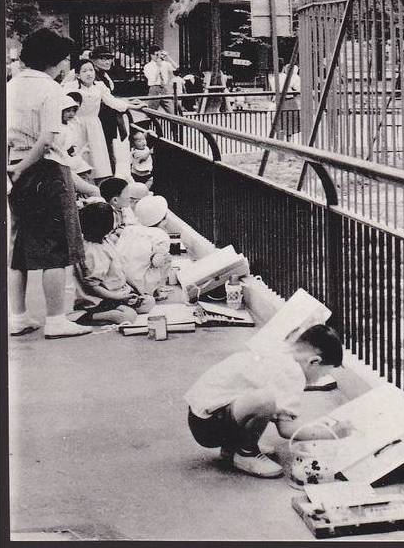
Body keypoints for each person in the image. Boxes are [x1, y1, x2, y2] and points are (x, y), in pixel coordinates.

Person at [7, 28, 93, 339]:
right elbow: (47, 139)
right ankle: (56, 319)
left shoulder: (10, 86)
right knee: (54, 246)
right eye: (66, 59)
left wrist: (12, 170)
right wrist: (24, 169)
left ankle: (17, 316)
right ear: (55, 61)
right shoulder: (52, 92)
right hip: (45, 171)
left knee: (18, 247)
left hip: (11, 168)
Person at [185, 324, 350, 478]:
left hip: (202, 417)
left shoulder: (282, 350)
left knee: (267, 398)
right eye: (322, 374)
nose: (316, 381)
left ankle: (233, 447)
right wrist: (330, 433)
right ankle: (245, 453)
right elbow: (286, 429)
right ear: (314, 362)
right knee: (267, 400)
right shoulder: (293, 373)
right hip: (209, 429)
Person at [74, 202, 154, 325]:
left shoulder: (105, 240)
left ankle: (120, 308)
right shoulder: (92, 251)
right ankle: (93, 316)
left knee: (149, 301)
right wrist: (119, 297)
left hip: (119, 291)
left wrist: (136, 288)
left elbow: (120, 269)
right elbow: (93, 286)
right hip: (101, 298)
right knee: (129, 316)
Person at [64, 59, 136, 182]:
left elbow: (113, 102)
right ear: (77, 74)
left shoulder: (100, 86)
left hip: (94, 126)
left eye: (91, 70)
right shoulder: (70, 87)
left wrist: (133, 106)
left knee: (97, 159)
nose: (89, 74)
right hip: (76, 125)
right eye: (84, 71)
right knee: (78, 156)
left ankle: (96, 185)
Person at [116, 194, 172, 297]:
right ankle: (156, 290)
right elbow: (157, 262)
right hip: (141, 283)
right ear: (163, 219)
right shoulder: (161, 235)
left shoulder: (129, 229)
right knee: (167, 258)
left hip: (120, 280)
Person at [90, 46, 129, 175]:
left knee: (108, 150)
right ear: (93, 59)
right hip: (98, 117)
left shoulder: (104, 75)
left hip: (108, 118)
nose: (107, 62)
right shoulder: (92, 76)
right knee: (102, 152)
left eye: (109, 59)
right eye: (103, 58)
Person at [143, 46, 173, 113]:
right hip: (154, 88)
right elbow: (152, 79)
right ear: (151, 55)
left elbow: (176, 69)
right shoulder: (148, 66)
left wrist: (168, 58)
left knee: (172, 111)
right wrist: (158, 67)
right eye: (156, 55)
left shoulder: (165, 64)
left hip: (164, 88)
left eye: (160, 54)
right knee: (151, 112)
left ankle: (174, 123)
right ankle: (152, 123)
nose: (158, 56)